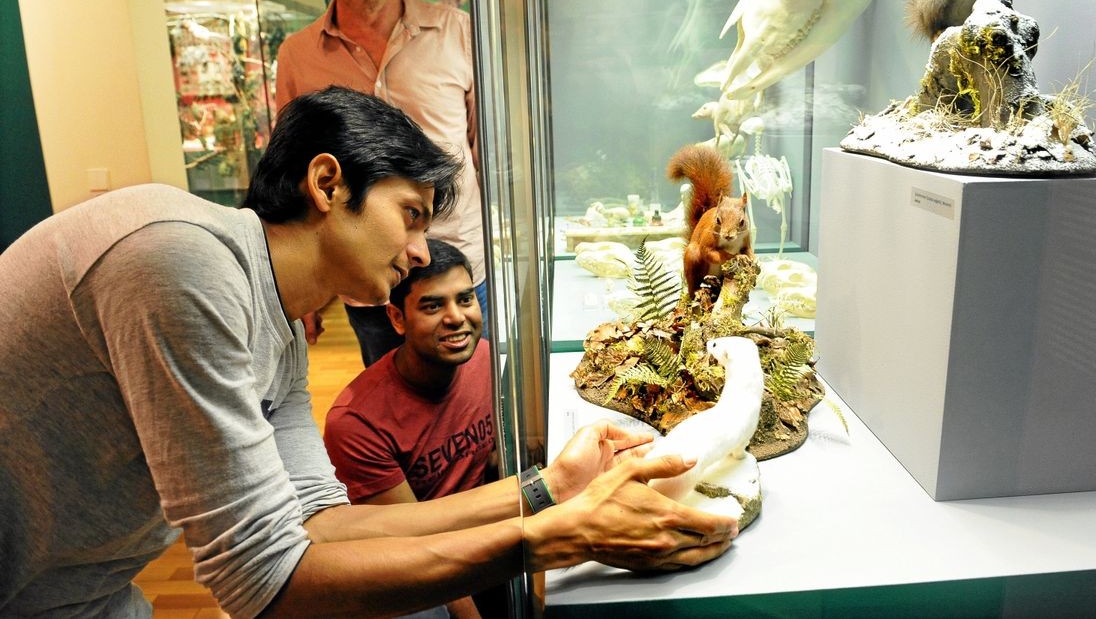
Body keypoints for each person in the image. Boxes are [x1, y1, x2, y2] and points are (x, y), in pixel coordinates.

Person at [0, 86, 737, 618]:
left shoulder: (281, 321)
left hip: (83, 590)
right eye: (410, 216)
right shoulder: (176, 260)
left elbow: (321, 523)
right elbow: (265, 581)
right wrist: (548, 537)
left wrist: (544, 489)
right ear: (328, 182)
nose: (419, 253)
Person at [276, 0, 487, 365]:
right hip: (364, 272)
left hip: (458, 260)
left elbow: (486, 149)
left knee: (475, 399)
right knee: (389, 398)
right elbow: (292, 173)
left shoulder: (458, 31)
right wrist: (300, 290)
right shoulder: (298, 55)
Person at [326, 238, 495, 618]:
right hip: (416, 564)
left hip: (482, 538)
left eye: (465, 299)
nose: (456, 317)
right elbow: (414, 544)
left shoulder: (483, 358)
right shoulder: (356, 422)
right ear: (397, 319)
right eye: (433, 306)